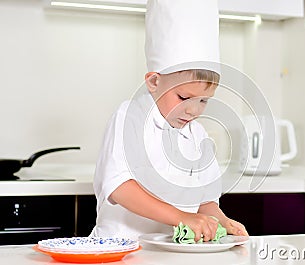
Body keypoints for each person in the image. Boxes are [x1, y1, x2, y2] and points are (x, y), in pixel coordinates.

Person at [90, 0, 248, 242]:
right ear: (154, 82)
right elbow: (119, 187)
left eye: (204, 101)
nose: (194, 110)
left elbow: (205, 201)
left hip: (169, 252)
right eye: (184, 97)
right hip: (120, 248)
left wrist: (222, 221)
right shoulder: (129, 117)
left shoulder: (198, 136)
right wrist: (181, 217)